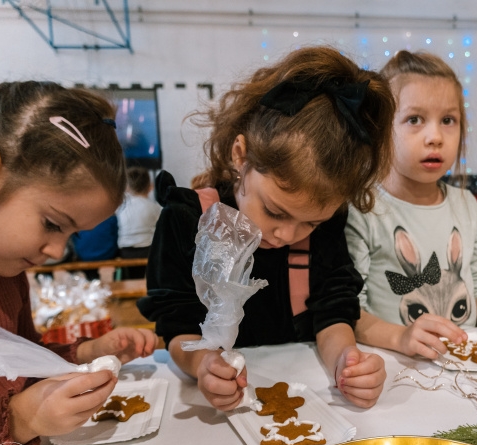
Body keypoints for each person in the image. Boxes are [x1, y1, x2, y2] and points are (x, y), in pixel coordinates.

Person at [137, 46, 395, 411]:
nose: (287, 235)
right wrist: (201, 363)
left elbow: (332, 311)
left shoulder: (328, 224)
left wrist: (346, 362)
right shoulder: (185, 220)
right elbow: (176, 325)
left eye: (312, 222)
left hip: (304, 394)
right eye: (275, 212)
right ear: (240, 156)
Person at [0, 81, 158, 445]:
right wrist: (21, 419)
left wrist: (88, 353)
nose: (58, 252)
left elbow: (23, 364)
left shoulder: (7, 274)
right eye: (51, 223)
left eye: (71, 234)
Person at [345, 50, 477, 361]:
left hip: (463, 366)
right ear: (380, 128)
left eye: (448, 120)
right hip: (394, 367)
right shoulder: (363, 209)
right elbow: (350, 309)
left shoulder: (467, 205)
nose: (435, 137)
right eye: (414, 120)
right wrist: (401, 337)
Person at [116, 167, 161, 279]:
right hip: (147, 250)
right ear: (150, 186)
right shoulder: (155, 208)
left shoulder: (120, 208)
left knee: (128, 277)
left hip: (125, 251)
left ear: (127, 188)